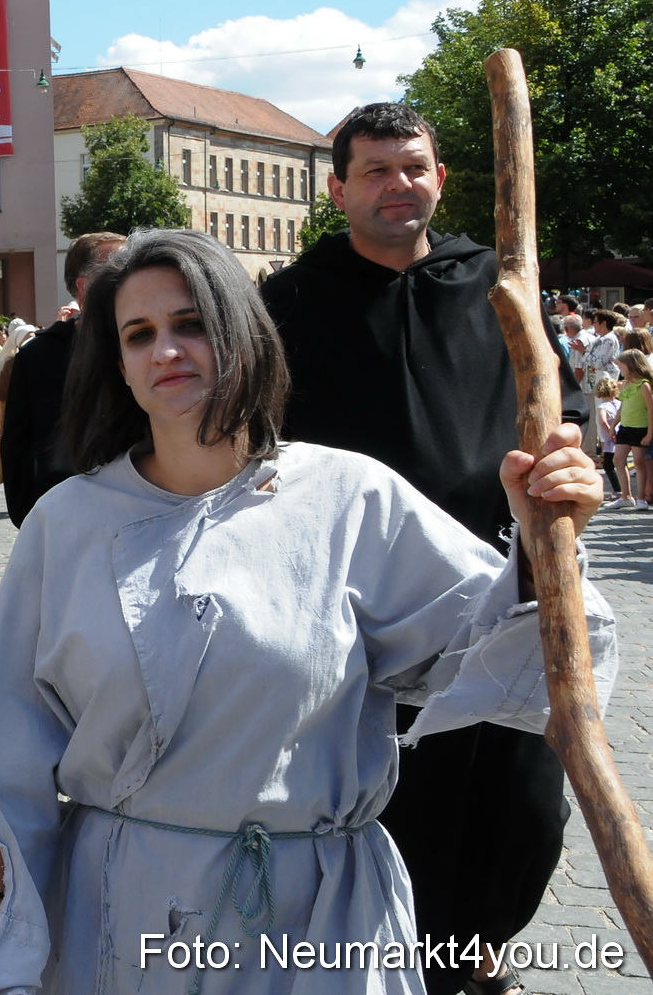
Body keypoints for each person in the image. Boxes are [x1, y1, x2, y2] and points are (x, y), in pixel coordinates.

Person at [0, 230, 615, 995]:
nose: (166, 349)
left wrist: (545, 540)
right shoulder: (67, 524)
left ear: (242, 335)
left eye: (191, 323)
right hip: (127, 919)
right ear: (119, 368)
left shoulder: (349, 497)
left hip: (321, 923)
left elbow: (514, 653)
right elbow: (3, 762)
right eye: (138, 335)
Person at [259, 102, 589, 995]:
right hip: (357, 597)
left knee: (522, 795)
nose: (396, 185)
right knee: (403, 790)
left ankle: (475, 948)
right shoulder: (287, 301)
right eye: (373, 170)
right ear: (336, 190)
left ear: (440, 178)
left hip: (500, 580)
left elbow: (565, 408)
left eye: (412, 167)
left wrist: (565, 459)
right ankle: (403, 956)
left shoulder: (500, 287)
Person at [0, 231, 126, 527]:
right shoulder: (38, 355)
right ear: (84, 287)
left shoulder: (150, 345)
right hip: (67, 514)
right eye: (120, 271)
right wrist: (30, 518)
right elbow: (17, 444)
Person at [607, 349, 653, 511]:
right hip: (625, 427)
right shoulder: (626, 383)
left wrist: (649, 433)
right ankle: (626, 496)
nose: (620, 368)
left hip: (640, 428)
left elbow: (650, 410)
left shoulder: (644, 385)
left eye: (622, 365)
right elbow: (622, 406)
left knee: (639, 463)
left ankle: (641, 498)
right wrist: (613, 426)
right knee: (618, 460)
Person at [596, 376, 623, 501]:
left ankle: (618, 490)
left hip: (610, 441)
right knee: (622, 465)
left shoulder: (603, 407)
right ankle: (623, 489)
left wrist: (609, 431)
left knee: (608, 466)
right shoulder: (619, 403)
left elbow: (602, 421)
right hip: (622, 437)